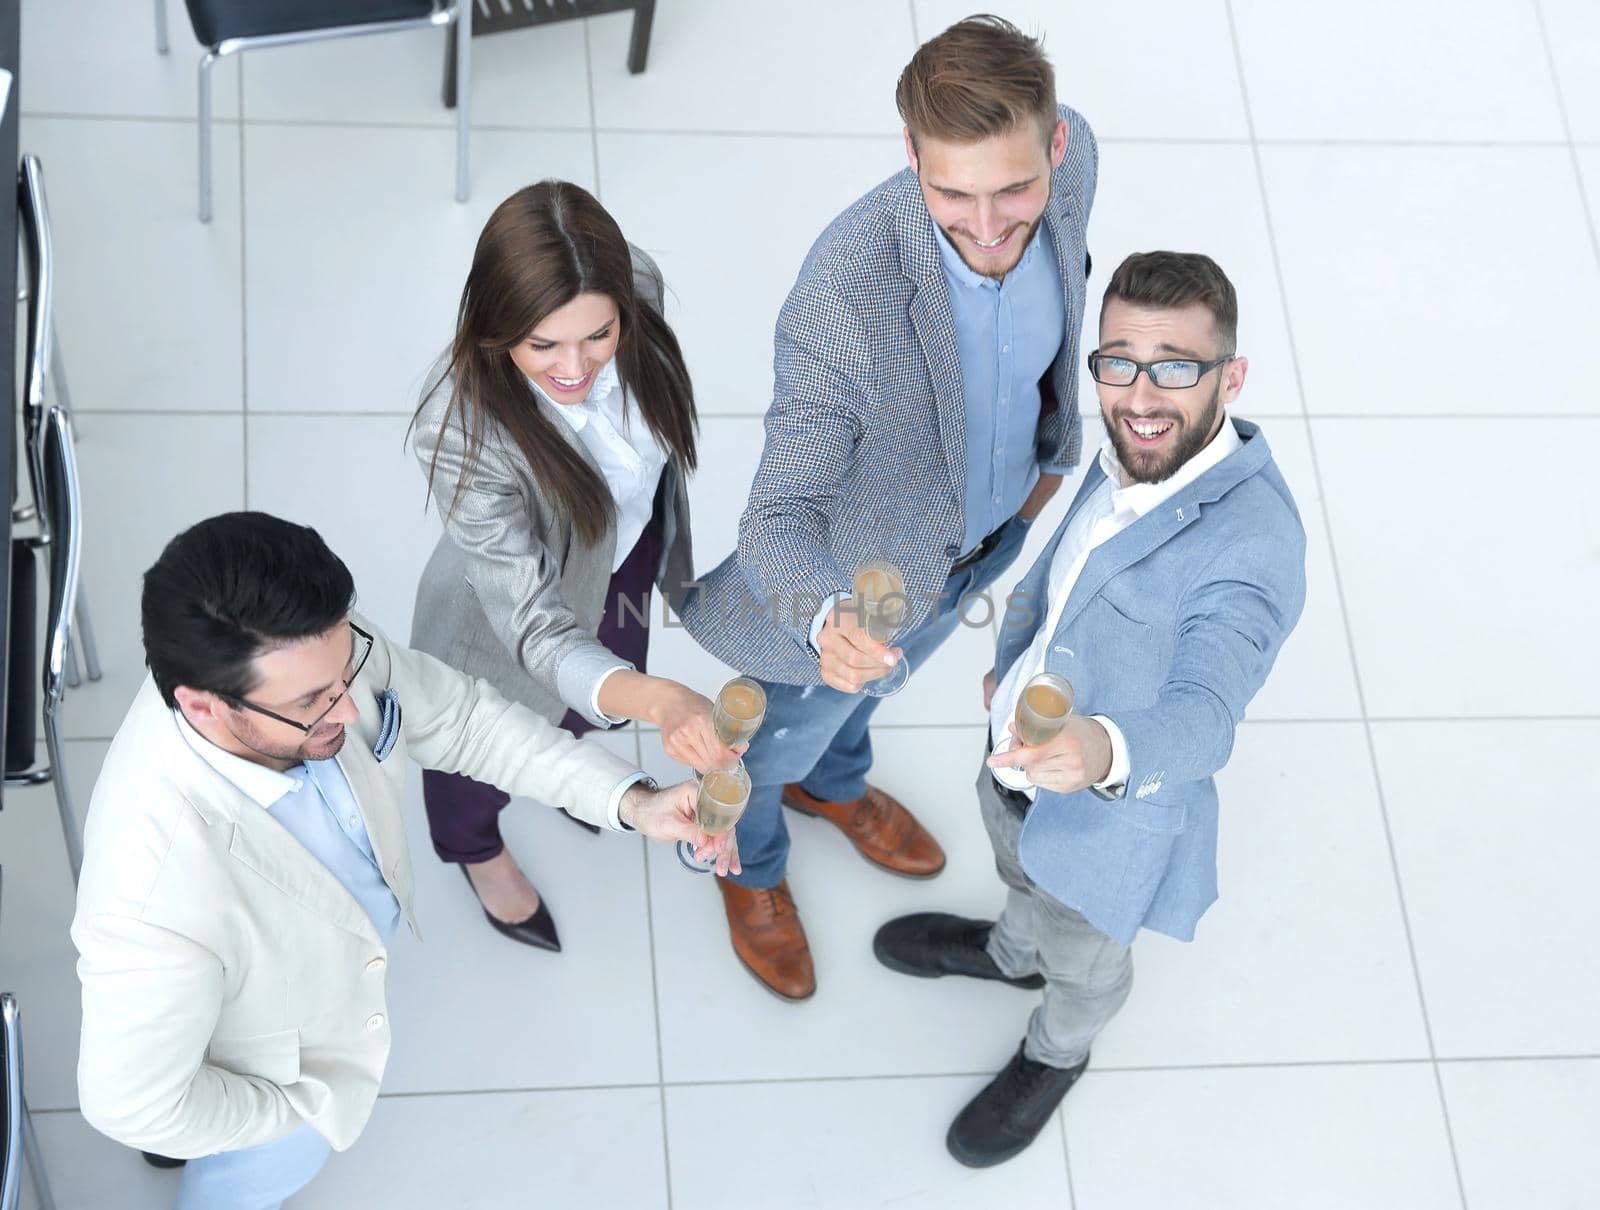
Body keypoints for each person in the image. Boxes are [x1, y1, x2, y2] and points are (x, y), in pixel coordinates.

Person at [71, 512, 734, 1209]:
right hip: (276, 1077)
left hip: (278, 986)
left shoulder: (319, 660)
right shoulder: (154, 892)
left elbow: (461, 720)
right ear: (203, 708)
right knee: (241, 1177)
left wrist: (631, 802)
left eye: (345, 674)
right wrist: (301, 1112)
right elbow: (130, 1103)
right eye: (309, 705)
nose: (348, 707)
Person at [677, 15, 1097, 1000]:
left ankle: (835, 786)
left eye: (1014, 189)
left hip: (981, 543)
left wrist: (1042, 477)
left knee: (858, 704)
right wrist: (826, 622)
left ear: (1057, 146)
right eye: (951, 193)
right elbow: (776, 518)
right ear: (910, 156)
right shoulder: (843, 296)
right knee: (769, 744)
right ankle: (756, 861)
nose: (988, 228)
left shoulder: (1075, 162)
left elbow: (1065, 284)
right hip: (847, 592)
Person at [873, 251, 1307, 1166]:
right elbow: (1065, 568)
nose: (1141, 395)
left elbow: (1207, 710)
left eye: (1176, 366)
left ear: (1231, 376)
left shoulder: (1255, 544)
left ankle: (1056, 1051)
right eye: (1119, 361)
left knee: (1086, 964)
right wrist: (1010, 658)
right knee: (1018, 875)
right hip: (1014, 762)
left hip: (1105, 819)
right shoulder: (1133, 450)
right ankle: (1008, 951)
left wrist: (1102, 748)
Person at [410, 181, 738, 952]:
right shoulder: (460, 431)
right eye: (541, 345)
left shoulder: (638, 285)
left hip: (620, 564)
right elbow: (534, 629)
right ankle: (474, 850)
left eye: (597, 335)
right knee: (478, 765)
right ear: (495, 331)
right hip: (508, 621)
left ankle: (568, 777)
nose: (574, 367)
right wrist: (663, 702)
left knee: (587, 706)